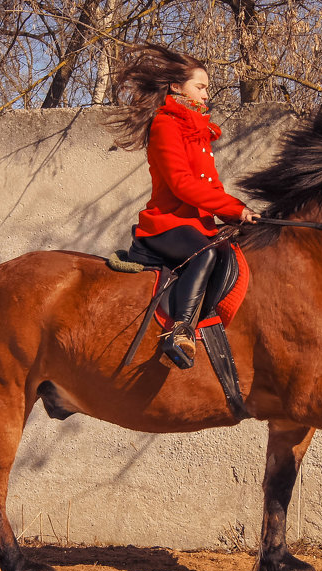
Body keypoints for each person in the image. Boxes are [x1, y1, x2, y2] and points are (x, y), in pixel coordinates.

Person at [105, 44, 260, 370]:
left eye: (206, 89)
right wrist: (232, 209)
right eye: (200, 87)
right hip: (167, 224)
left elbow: (211, 187)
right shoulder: (165, 125)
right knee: (202, 255)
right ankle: (180, 331)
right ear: (176, 86)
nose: (206, 95)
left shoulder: (198, 131)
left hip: (196, 224)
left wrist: (240, 210)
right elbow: (182, 184)